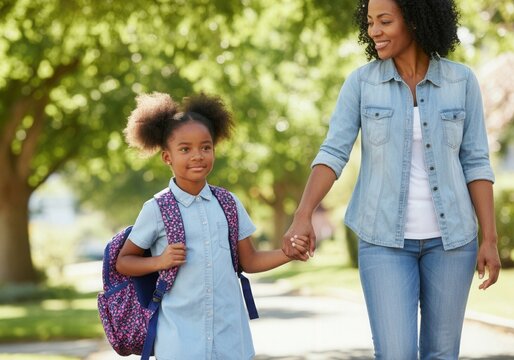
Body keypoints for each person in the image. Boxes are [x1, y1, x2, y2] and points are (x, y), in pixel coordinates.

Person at [282, 0, 501, 358]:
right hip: (383, 240)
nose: (374, 32)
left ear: (415, 20)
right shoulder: (362, 83)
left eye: (385, 21)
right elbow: (333, 153)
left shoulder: (461, 81)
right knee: (395, 353)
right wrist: (303, 213)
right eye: (370, 22)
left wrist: (489, 238)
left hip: (453, 242)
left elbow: (476, 162)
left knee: (442, 354)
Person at [116, 92, 308, 360]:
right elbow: (124, 261)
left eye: (205, 147)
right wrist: (159, 261)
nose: (197, 156)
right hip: (180, 343)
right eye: (185, 149)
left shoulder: (228, 203)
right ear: (167, 157)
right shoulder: (157, 209)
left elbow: (249, 261)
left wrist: (288, 254)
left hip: (230, 339)